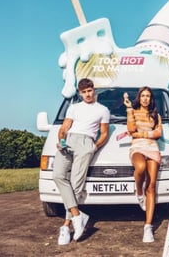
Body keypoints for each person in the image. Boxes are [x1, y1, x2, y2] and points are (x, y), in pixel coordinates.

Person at [53, 78, 110, 245]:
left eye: (90, 91)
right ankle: (78, 215)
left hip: (86, 142)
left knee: (76, 184)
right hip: (69, 141)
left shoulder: (103, 110)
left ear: (94, 90)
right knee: (57, 175)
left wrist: (93, 147)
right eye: (84, 92)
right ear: (80, 93)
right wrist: (61, 140)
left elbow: (104, 133)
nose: (88, 94)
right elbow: (64, 127)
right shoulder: (74, 107)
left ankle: (66, 226)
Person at [123, 86, 162, 243]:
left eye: (148, 96)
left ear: (151, 99)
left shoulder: (155, 115)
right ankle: (139, 192)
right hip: (138, 147)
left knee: (151, 185)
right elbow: (131, 129)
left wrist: (143, 133)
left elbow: (158, 134)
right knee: (140, 168)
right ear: (138, 97)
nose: (145, 98)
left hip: (153, 148)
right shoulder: (132, 111)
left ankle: (148, 227)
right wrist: (128, 109)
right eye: (143, 95)